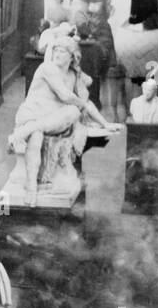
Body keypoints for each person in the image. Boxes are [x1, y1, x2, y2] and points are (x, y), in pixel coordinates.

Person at [7, 33, 115, 198]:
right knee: (70, 111)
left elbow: (86, 98)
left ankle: (31, 132)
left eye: (62, 51)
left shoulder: (72, 75)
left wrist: (105, 123)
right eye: (55, 50)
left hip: (51, 120)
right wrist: (82, 102)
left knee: (72, 111)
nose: (56, 54)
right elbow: (66, 96)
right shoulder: (48, 68)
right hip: (32, 114)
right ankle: (32, 184)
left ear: (73, 56)